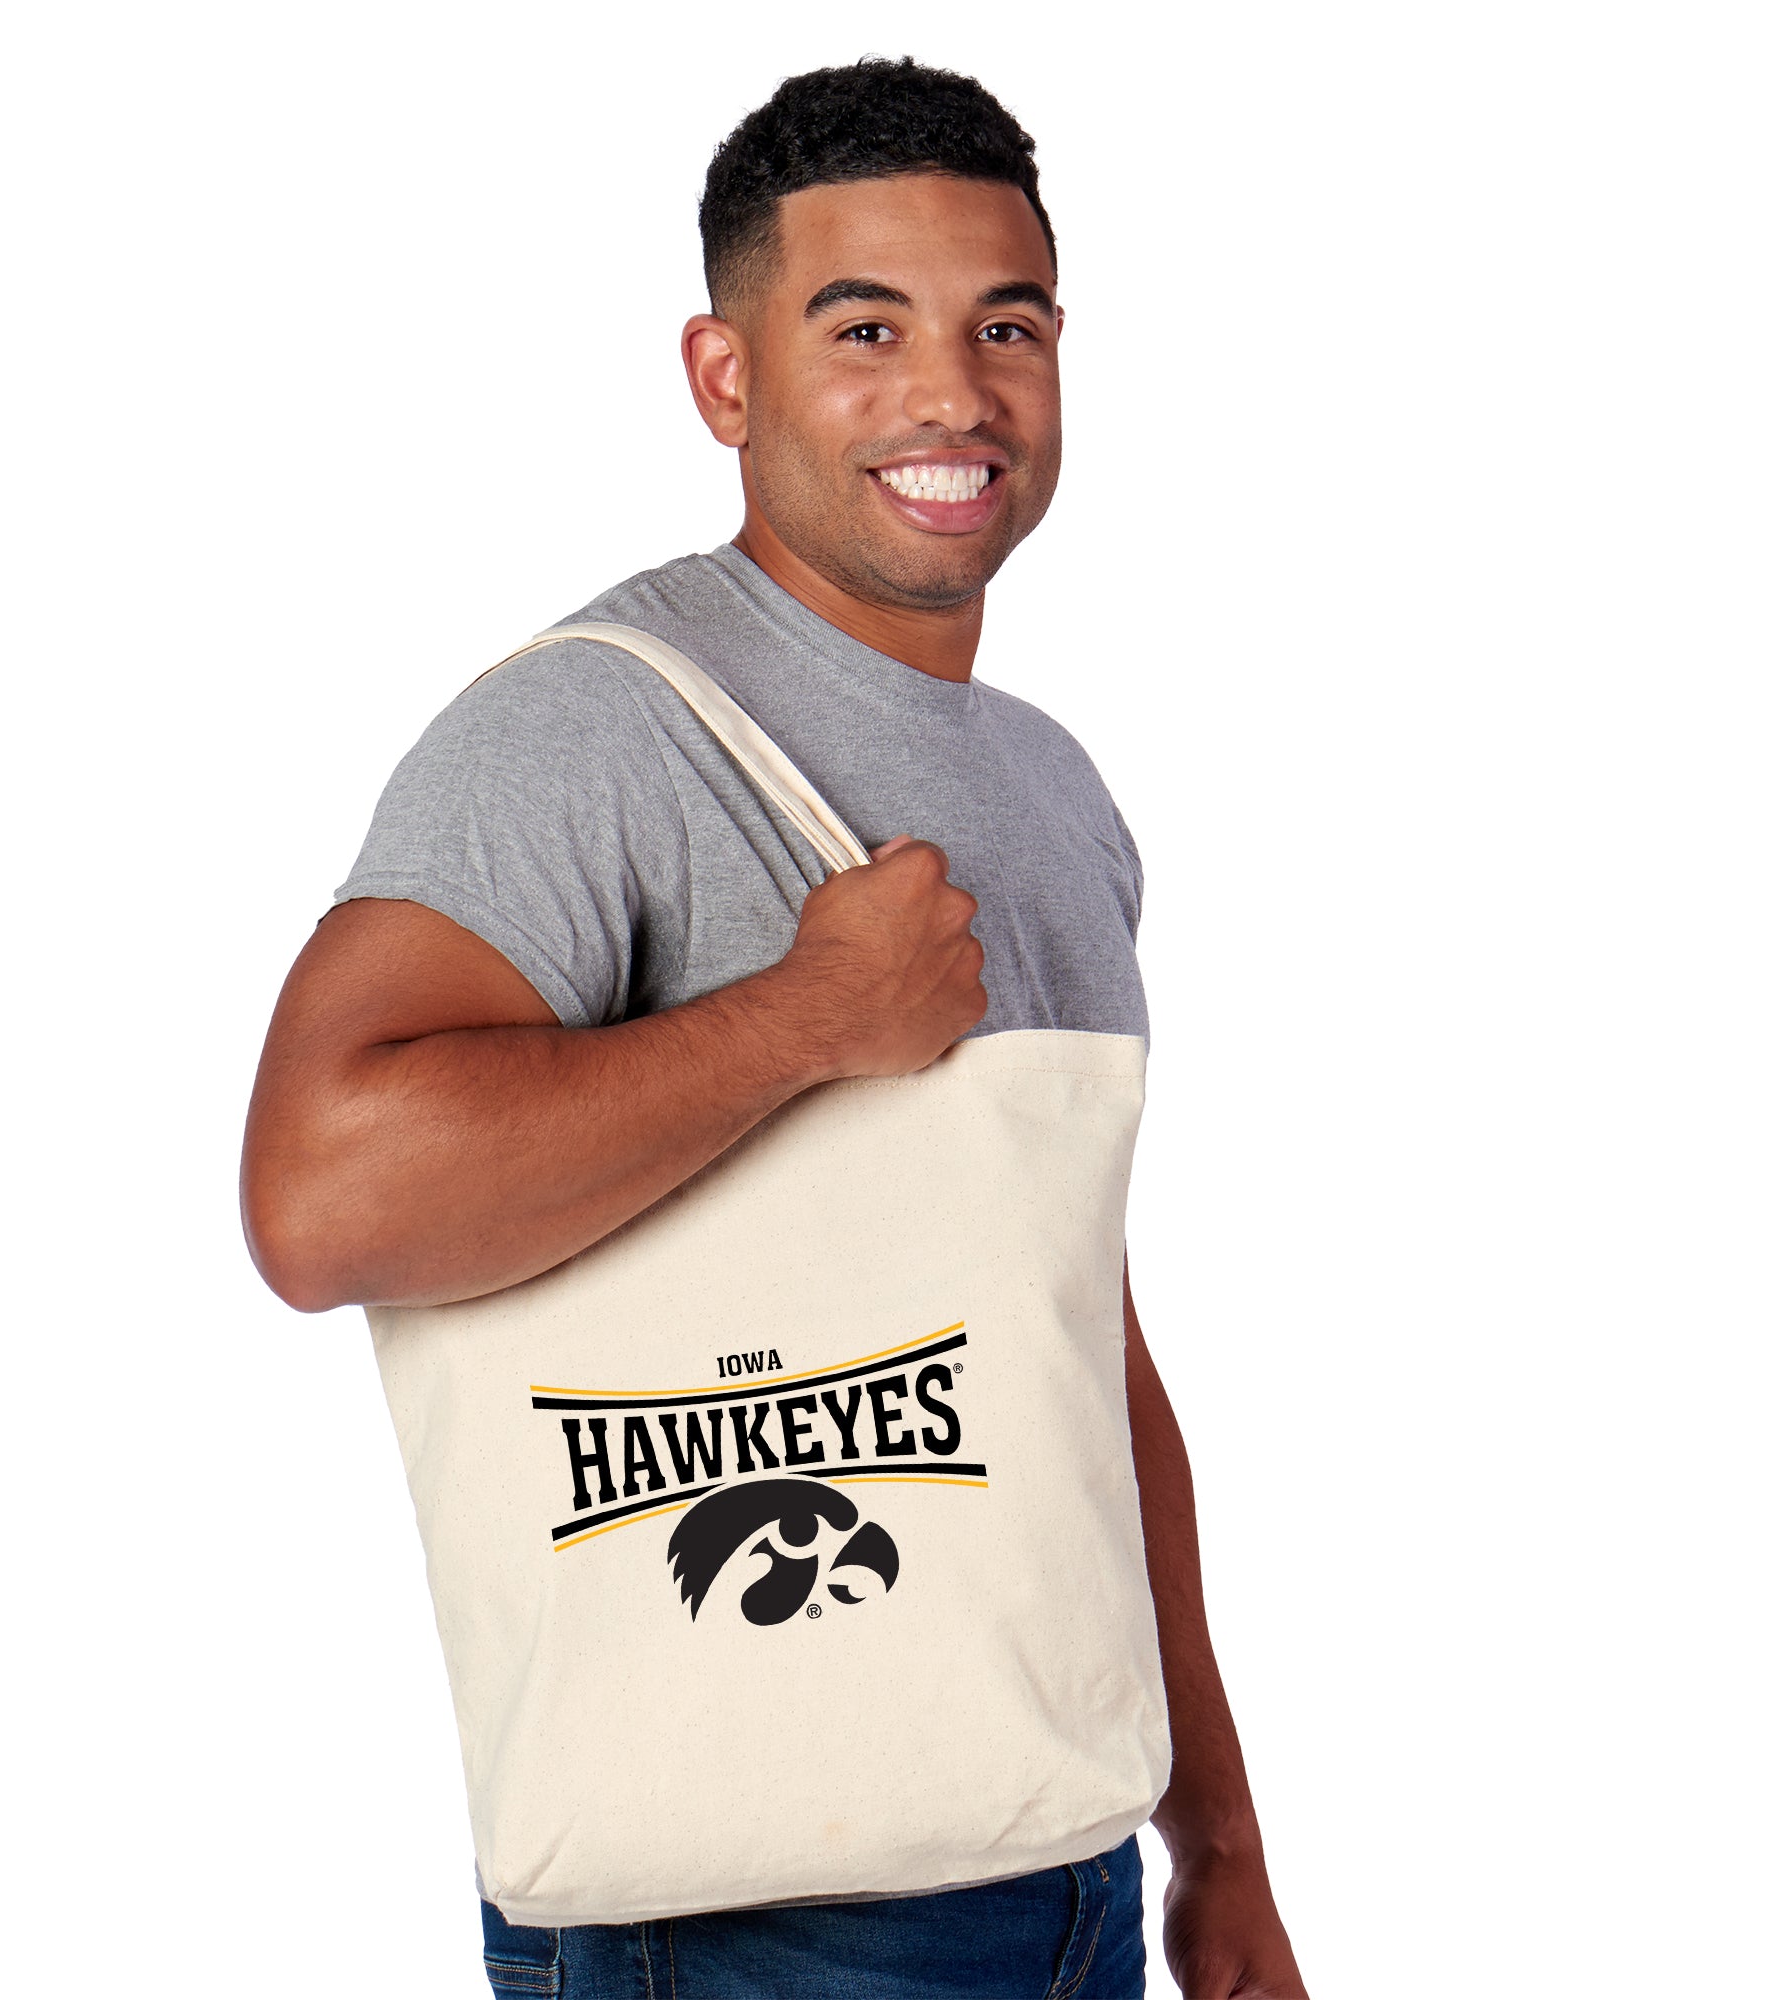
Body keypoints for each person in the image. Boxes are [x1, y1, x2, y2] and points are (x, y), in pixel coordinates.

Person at [242, 56, 1309, 2000]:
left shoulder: (1052, 787)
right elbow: (318, 1199)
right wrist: (806, 1017)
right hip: (742, 1914)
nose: (952, 396)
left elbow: (1079, 1344)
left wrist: (1214, 1839)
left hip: (1060, 1867)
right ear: (723, 379)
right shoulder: (596, 725)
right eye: (864, 330)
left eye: (1005, 328)